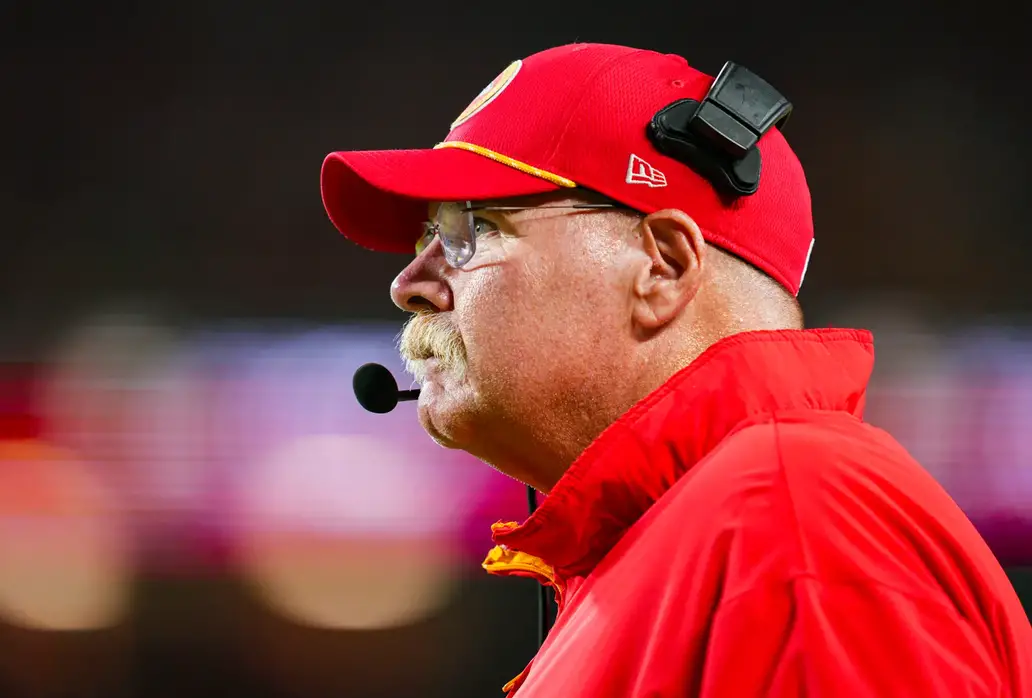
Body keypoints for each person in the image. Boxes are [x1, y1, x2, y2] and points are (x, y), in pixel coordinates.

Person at [320, 43, 1032, 698]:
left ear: (663, 267)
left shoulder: (791, 514)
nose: (408, 283)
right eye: (425, 239)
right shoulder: (694, 536)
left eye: (468, 232)